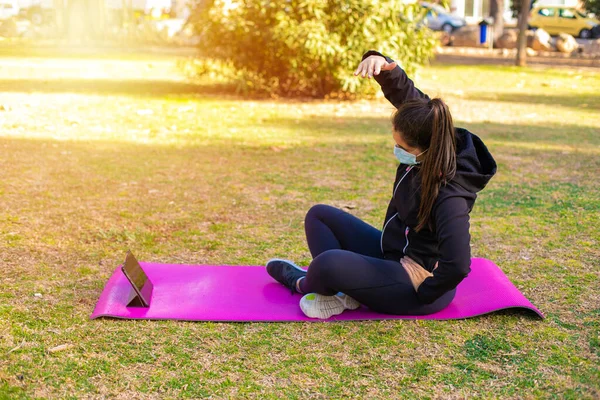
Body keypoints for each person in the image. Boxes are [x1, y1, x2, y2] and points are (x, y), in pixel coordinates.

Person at [266, 50, 497, 319]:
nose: (396, 149)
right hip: (394, 252)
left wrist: (424, 294)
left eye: (401, 147)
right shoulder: (431, 128)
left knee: (327, 263)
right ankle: (345, 290)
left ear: (424, 150)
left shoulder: (449, 195)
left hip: (415, 281)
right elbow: (408, 99)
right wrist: (382, 65)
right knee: (319, 216)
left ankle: (302, 283)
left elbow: (458, 264)